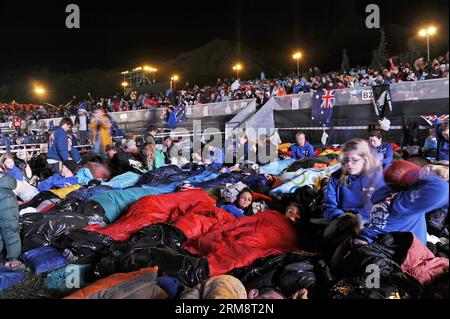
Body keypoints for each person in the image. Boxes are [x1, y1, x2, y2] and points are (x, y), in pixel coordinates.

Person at [361, 160, 449, 245]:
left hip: (372, 242)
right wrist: (421, 174)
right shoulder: (406, 203)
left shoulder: (384, 195)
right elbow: (441, 189)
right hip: (409, 255)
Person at [322, 138, 385, 223]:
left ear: (365, 160)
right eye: (346, 160)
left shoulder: (376, 177)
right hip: (342, 220)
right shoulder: (335, 177)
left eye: (355, 160)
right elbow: (329, 206)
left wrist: (360, 220)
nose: (349, 164)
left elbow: (383, 207)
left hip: (369, 222)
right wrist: (341, 217)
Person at [0, 172, 22, 269]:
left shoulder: (5, 196)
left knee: (9, 228)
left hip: (6, 214)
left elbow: (10, 228)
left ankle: (13, 258)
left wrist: (13, 257)